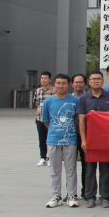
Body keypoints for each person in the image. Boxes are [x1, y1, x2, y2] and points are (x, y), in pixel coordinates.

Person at [77, 71, 109, 208]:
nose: (96, 81)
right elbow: (81, 120)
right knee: (89, 170)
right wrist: (83, 140)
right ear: (89, 82)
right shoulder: (83, 98)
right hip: (90, 139)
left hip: (105, 138)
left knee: (105, 170)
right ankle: (90, 196)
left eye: (98, 79)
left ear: (103, 81)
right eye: (93, 79)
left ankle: (105, 196)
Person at [42, 74, 79, 208]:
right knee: (54, 169)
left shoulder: (75, 100)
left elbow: (77, 121)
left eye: (64, 83)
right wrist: (56, 130)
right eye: (58, 83)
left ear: (69, 85)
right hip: (53, 139)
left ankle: (71, 195)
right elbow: (46, 121)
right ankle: (56, 195)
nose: (61, 86)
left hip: (70, 139)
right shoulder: (48, 101)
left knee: (71, 169)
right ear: (54, 84)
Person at [33, 71, 54, 167]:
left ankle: (50, 157)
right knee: (41, 138)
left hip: (50, 119)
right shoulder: (38, 90)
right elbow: (36, 103)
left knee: (50, 138)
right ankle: (42, 157)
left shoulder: (53, 90)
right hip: (39, 118)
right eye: (42, 78)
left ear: (49, 79)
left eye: (45, 78)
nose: (43, 80)